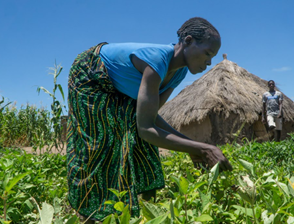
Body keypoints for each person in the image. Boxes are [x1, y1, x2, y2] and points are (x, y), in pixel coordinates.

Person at [67, 17, 232, 223]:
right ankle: (88, 215)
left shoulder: (179, 72)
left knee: (141, 145)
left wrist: (195, 147)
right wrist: (201, 149)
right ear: (188, 41)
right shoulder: (156, 63)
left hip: (118, 86)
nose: (209, 63)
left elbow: (152, 118)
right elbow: (147, 129)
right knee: (100, 144)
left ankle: (148, 214)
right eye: (207, 54)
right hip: (90, 73)